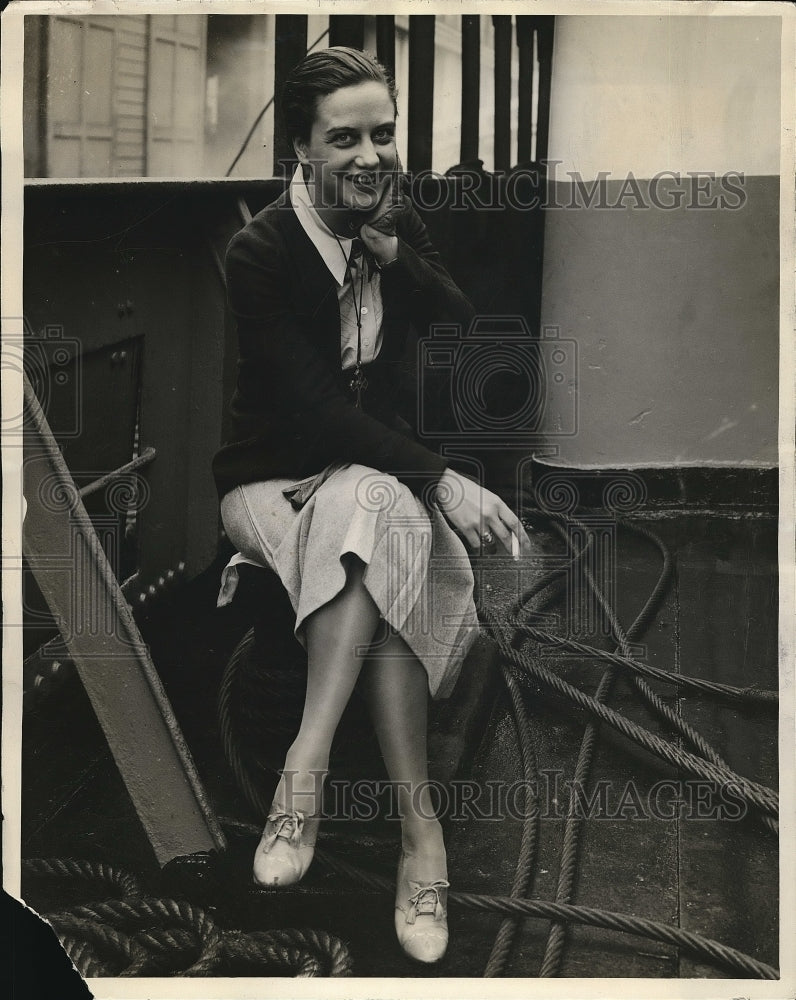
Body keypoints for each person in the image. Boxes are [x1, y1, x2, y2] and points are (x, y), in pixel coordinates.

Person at [212, 46, 531, 964]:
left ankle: (317, 786)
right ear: (300, 154)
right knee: (384, 512)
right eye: (343, 138)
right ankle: (408, 830)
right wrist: (442, 478)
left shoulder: (392, 216)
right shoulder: (261, 251)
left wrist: (399, 259)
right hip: (269, 483)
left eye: (383, 134)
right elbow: (312, 411)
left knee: (378, 520)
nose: (370, 156)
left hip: (373, 487)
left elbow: (464, 328)